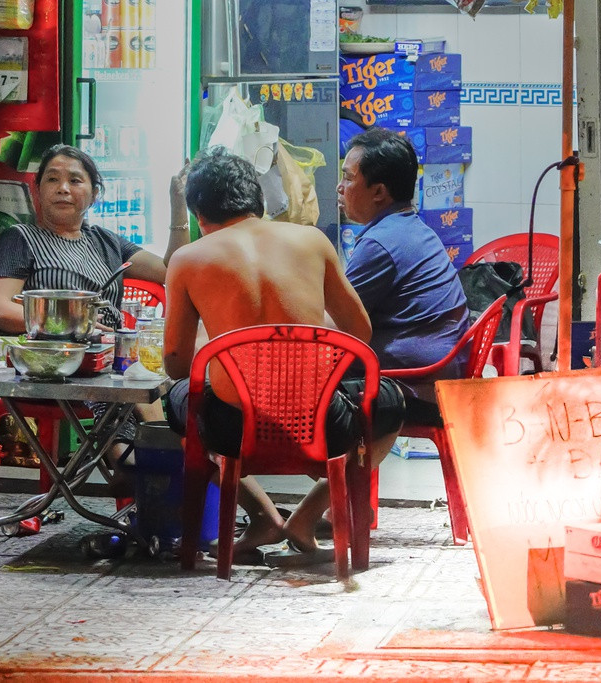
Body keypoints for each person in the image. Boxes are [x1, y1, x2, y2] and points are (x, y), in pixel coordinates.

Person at [162, 147, 405, 560]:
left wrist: (220, 351)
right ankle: (308, 514)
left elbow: (177, 364)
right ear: (258, 201)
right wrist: (310, 358)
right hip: (321, 424)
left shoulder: (186, 259)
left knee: (176, 401)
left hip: (233, 430)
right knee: (391, 402)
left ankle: (260, 515)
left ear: (200, 217)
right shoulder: (312, 240)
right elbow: (359, 333)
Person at [0, 143, 190, 487]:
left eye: (75, 180)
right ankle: (139, 469)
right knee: (118, 388)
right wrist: (71, 326)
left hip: (106, 361)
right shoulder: (19, 239)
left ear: (94, 194)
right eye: (52, 179)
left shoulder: (106, 242)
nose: (63, 188)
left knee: (168, 383)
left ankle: (156, 469)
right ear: (37, 190)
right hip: (48, 364)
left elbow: (175, 270)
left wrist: (178, 206)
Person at [338, 127, 469, 425]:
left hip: (417, 385)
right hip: (441, 371)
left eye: (348, 177)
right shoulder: (410, 227)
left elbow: (337, 324)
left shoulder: (380, 243)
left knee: (303, 369)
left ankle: (330, 467)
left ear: (379, 192)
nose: (339, 187)